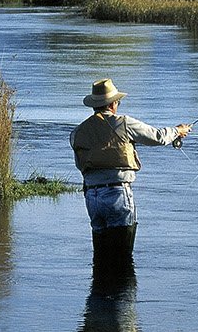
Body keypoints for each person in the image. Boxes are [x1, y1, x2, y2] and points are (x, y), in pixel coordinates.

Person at [70, 79, 190, 268]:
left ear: (95, 105)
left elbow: (81, 165)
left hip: (91, 197)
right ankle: (121, 295)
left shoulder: (77, 132)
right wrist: (178, 131)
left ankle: (100, 294)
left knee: (101, 258)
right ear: (113, 103)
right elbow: (157, 137)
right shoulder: (123, 123)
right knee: (122, 259)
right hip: (117, 194)